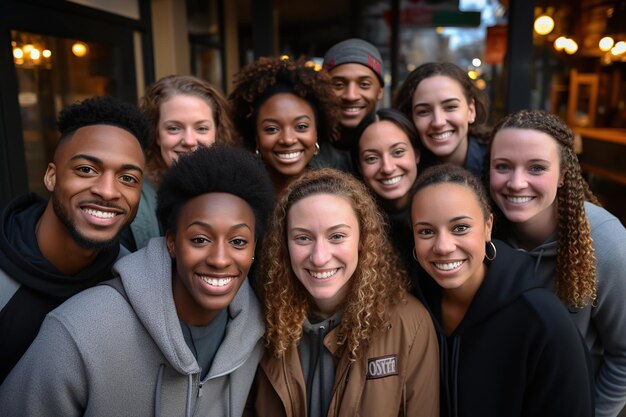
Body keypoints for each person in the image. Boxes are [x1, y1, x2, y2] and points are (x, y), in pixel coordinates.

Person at [0, 145, 275, 416]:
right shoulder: (79, 330)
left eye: (238, 242)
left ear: (253, 250)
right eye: (199, 239)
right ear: (171, 243)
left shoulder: (254, 329)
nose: (219, 259)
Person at [246, 168, 439, 417]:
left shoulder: (410, 325)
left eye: (337, 236)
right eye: (303, 238)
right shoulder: (262, 321)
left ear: (362, 240)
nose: (319, 257)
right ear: (284, 244)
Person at [410, 163, 594, 417]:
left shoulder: (543, 322)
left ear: (488, 227)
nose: (443, 246)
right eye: (426, 231)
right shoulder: (412, 310)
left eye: (460, 228)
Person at [487, 109, 626, 417]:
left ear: (563, 174)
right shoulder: (483, 234)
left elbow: (624, 354)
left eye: (536, 168)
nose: (517, 182)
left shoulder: (606, 243)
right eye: (503, 166)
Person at [0, 96, 147, 384]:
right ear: (52, 177)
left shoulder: (132, 283)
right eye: (86, 170)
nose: (107, 191)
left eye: (127, 178)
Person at [120, 74, 238, 251]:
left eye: (201, 128)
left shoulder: (237, 190)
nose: (189, 140)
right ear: (156, 134)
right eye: (174, 128)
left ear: (217, 132)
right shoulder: (131, 198)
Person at [229, 55, 346, 193]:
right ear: (256, 137)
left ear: (316, 132)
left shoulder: (338, 193)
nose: (288, 140)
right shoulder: (239, 196)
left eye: (301, 127)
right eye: (272, 129)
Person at [351, 108, 421, 270]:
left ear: (416, 154)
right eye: (372, 158)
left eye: (398, 152)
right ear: (359, 166)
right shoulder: (354, 225)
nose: (387, 168)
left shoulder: (441, 207)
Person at [395, 62, 491, 177]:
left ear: (471, 111)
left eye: (450, 107)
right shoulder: (401, 172)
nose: (438, 122)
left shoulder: (496, 164)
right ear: (411, 118)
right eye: (424, 111)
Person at [323, 38, 385, 151]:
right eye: (338, 85)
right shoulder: (307, 147)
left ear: (380, 91)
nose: (351, 96)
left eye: (364, 84)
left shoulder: (396, 141)